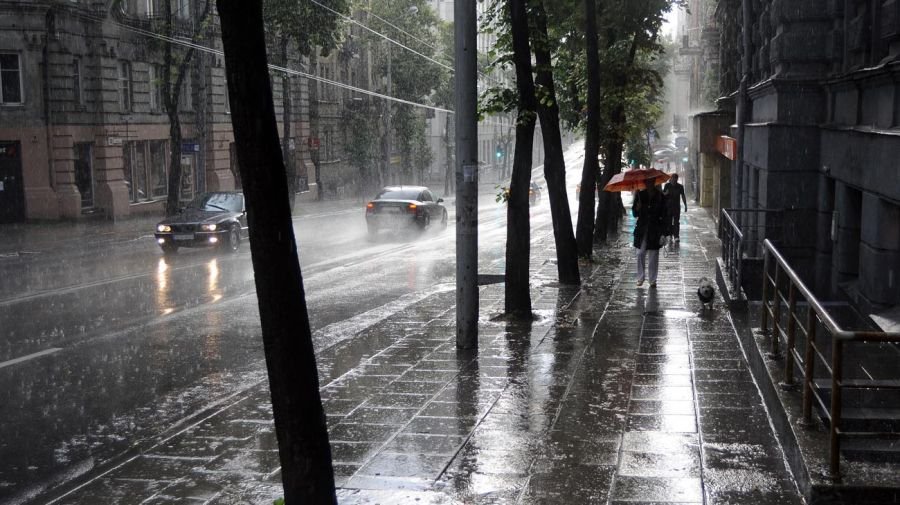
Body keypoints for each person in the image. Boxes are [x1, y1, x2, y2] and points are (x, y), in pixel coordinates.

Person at [632, 177, 667, 288]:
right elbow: (635, 213)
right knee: (640, 253)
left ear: (654, 182)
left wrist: (664, 233)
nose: (649, 183)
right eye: (647, 182)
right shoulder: (640, 195)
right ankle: (640, 277)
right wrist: (637, 208)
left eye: (651, 181)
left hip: (655, 229)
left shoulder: (660, 196)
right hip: (642, 229)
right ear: (645, 183)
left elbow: (664, 215)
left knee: (653, 255)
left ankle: (652, 280)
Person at [663, 173, 688, 241]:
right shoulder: (667, 185)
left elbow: (683, 196)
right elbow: (663, 195)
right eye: (672, 178)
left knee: (676, 222)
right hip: (668, 207)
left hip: (676, 207)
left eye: (675, 179)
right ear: (671, 179)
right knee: (669, 221)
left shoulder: (680, 187)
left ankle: (676, 236)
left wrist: (685, 205)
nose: (674, 180)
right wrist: (666, 193)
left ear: (677, 179)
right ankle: (670, 235)